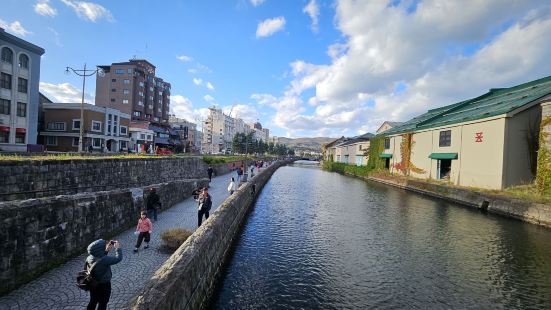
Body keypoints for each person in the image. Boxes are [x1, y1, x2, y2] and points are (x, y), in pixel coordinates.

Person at [85, 239, 123, 310]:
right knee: (103, 302)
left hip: (93, 283)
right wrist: (118, 248)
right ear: (100, 249)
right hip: (104, 285)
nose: (106, 245)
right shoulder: (104, 259)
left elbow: (99, 258)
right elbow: (118, 258)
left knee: (93, 300)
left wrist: (106, 250)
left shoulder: (89, 257)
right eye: (104, 246)